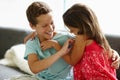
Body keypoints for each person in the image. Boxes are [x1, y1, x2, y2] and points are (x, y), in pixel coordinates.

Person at [22, 1, 120, 80]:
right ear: (32, 26)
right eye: (44, 26)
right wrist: (59, 51)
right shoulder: (32, 43)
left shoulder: (68, 37)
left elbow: (92, 43)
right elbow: (34, 68)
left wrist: (114, 54)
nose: (51, 28)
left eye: (52, 23)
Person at [59, 3, 119, 80]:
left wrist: (56, 46)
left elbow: (72, 61)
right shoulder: (100, 37)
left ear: (81, 25)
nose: (70, 32)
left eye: (72, 29)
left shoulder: (81, 38)